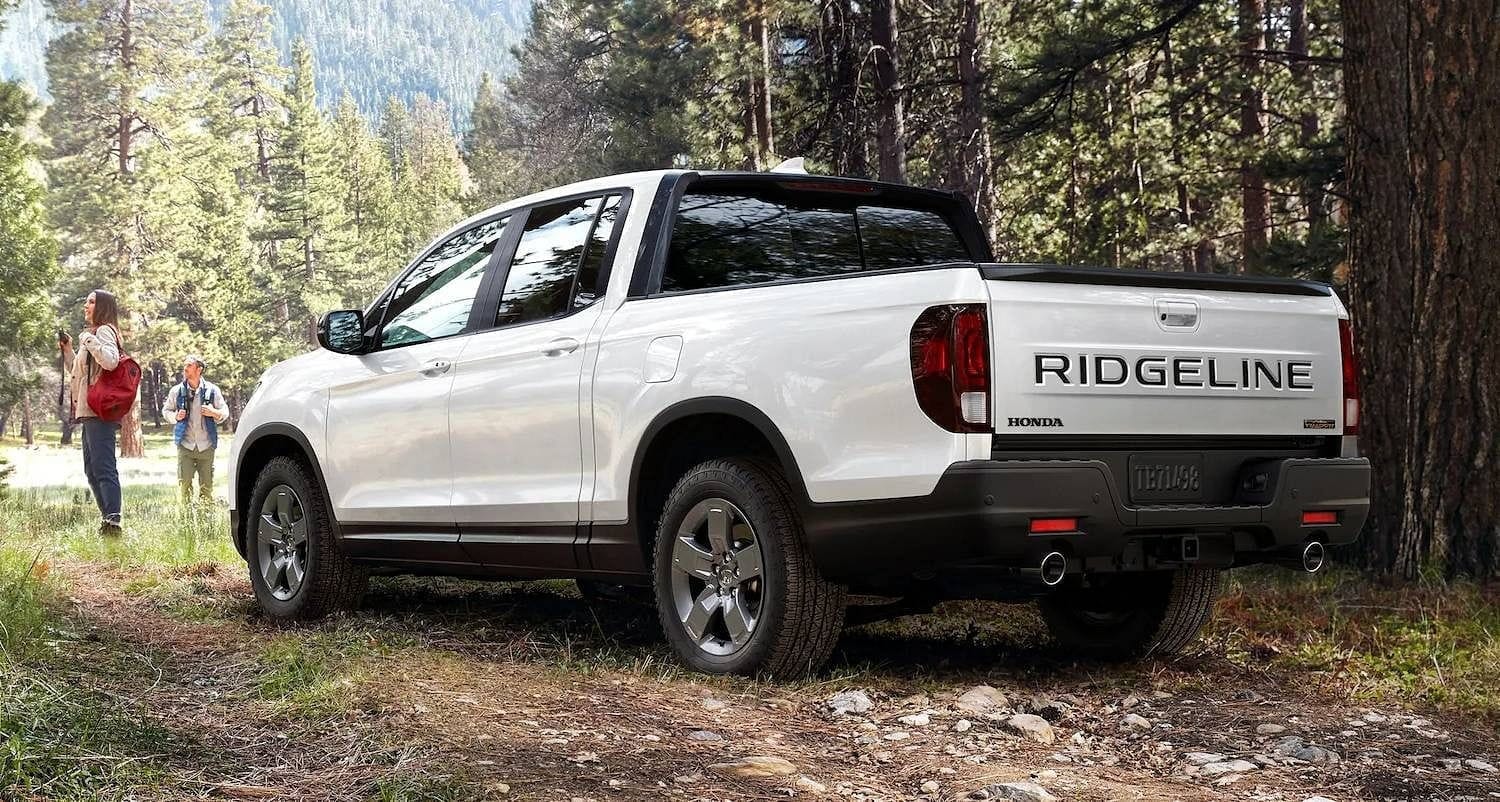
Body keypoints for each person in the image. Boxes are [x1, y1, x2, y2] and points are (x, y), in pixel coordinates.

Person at [59, 289, 124, 536]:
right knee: (92, 469)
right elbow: (80, 371)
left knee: (103, 467)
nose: (86, 306)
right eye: (86, 301)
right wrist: (68, 350)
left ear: (103, 306)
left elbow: (111, 361)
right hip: (90, 411)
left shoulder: (104, 331)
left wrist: (88, 339)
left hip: (100, 411)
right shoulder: (94, 334)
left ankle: (113, 522)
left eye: (91, 302)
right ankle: (107, 520)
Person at [161, 355, 230, 504]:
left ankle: (205, 515)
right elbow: (166, 411)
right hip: (185, 445)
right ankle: (186, 517)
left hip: (206, 446)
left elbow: (225, 412)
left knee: (207, 487)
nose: (185, 368)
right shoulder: (177, 391)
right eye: (184, 365)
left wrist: (213, 412)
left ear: (199, 369)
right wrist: (175, 417)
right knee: (184, 484)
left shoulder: (212, 390)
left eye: (189, 365)